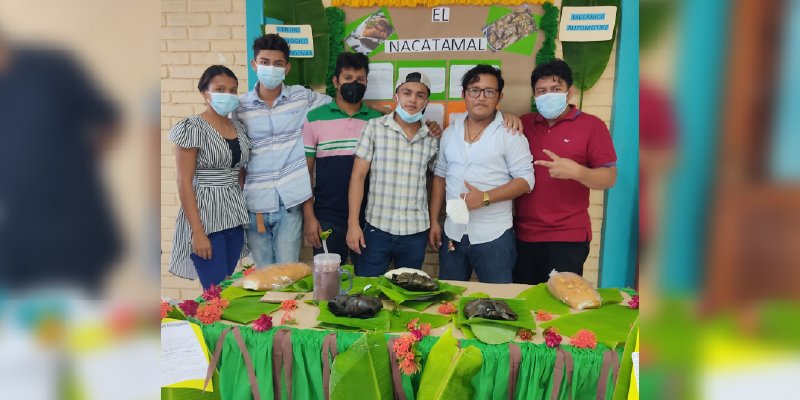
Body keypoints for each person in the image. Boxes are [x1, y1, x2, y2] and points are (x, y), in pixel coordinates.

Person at [513, 59, 618, 284]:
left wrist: (578, 172)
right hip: (524, 235)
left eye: (555, 89)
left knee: (561, 307)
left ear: (569, 92)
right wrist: (508, 117)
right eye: (541, 91)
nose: (548, 95)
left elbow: (609, 177)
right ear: (534, 96)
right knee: (523, 304)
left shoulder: (592, 126)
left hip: (568, 237)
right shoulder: (524, 123)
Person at [232, 34, 332, 267]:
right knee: (262, 275)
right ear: (254, 65)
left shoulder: (302, 97)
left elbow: (340, 107)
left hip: (290, 203)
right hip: (254, 204)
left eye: (278, 64)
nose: (271, 68)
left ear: (287, 68)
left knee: (287, 273)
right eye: (264, 62)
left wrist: (387, 110)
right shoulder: (239, 107)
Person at [429, 65, 534, 283]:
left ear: (499, 96)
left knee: (498, 302)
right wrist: (434, 221)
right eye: (474, 90)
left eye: (489, 91)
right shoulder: (450, 132)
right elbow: (440, 176)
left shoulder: (510, 133)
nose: (481, 97)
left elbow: (526, 181)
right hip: (453, 232)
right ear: (464, 95)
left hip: (494, 237)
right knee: (449, 299)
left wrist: (485, 197)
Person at [345, 72, 439, 276]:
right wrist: (353, 224)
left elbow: (439, 178)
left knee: (408, 296)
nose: (412, 99)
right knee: (368, 293)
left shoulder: (431, 137)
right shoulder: (375, 128)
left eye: (420, 95)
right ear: (396, 96)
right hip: (377, 229)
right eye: (407, 93)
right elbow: (358, 177)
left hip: (415, 233)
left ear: (426, 101)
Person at [168, 65, 251, 290]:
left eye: (233, 90)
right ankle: (210, 324)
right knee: (214, 291)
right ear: (205, 92)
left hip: (234, 216)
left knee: (226, 286)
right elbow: (183, 181)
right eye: (220, 89)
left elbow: (241, 171)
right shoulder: (192, 127)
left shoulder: (239, 127)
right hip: (205, 218)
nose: (228, 94)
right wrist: (197, 232)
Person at [301, 53, 383, 268]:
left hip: (370, 217)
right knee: (329, 283)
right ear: (336, 82)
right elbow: (305, 173)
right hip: (327, 216)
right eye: (348, 78)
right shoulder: (314, 118)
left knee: (366, 283)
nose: (354, 84)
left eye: (360, 79)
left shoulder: (377, 121)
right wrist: (309, 217)